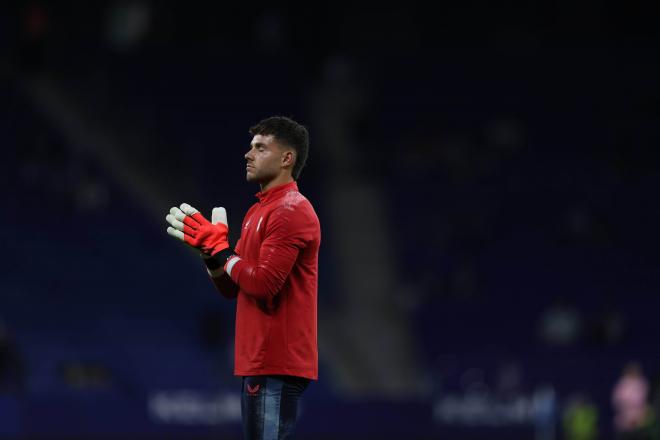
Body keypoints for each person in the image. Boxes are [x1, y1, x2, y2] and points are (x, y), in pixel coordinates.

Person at [165, 116, 320, 440]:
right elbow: (235, 287)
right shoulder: (258, 212)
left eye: (260, 148)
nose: (248, 155)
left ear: (286, 159)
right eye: (251, 147)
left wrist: (221, 249)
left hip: (275, 360)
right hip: (259, 360)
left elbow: (263, 285)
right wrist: (211, 256)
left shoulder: (291, 211)